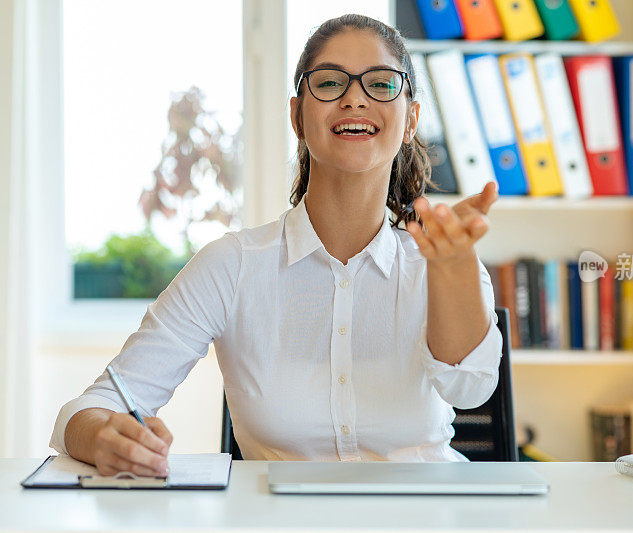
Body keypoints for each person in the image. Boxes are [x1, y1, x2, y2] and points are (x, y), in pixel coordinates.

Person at [50, 14, 502, 476]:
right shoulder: (233, 266)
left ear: (411, 120)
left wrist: (454, 268)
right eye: (329, 83)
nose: (353, 98)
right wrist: (105, 438)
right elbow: (97, 405)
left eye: (381, 84)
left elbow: (471, 389)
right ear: (297, 118)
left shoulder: (444, 259)